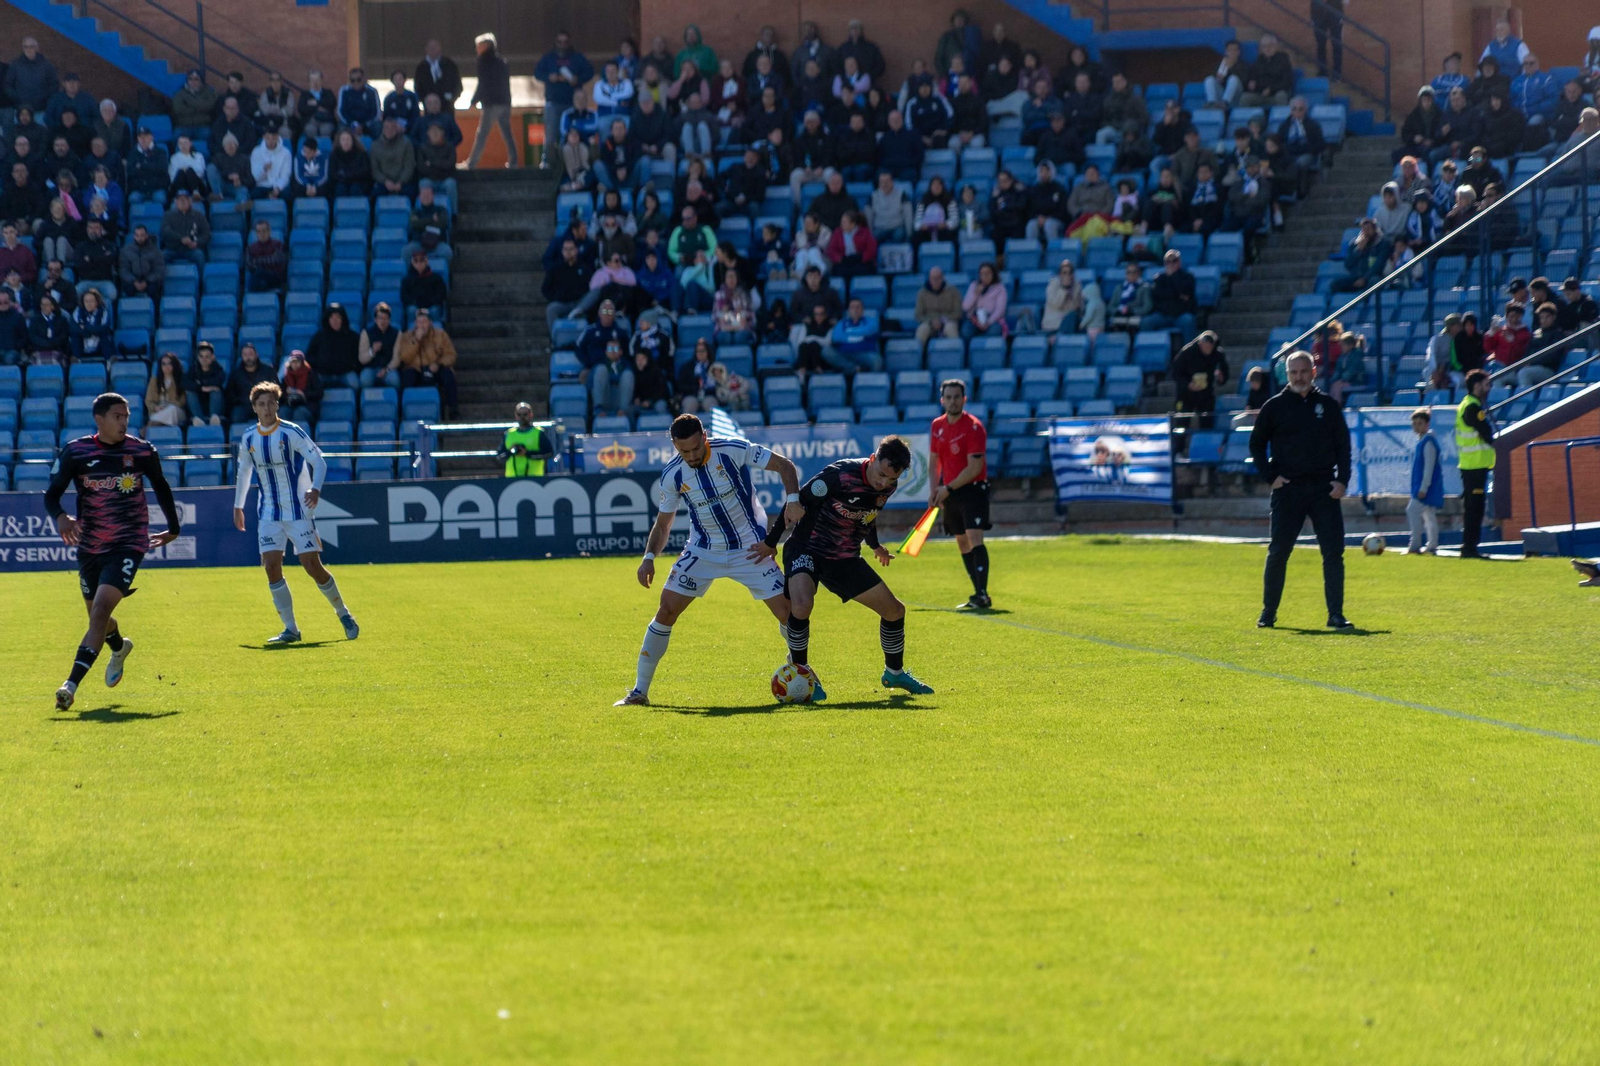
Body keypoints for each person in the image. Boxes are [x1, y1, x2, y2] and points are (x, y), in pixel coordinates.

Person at [614, 414, 803, 706]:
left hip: (750, 550)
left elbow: (784, 465)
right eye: (682, 451)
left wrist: (792, 500)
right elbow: (663, 524)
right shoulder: (673, 475)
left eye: (694, 448)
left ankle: (800, 670)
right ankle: (639, 691)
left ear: (704, 436)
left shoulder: (732, 449)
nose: (690, 456)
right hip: (702, 551)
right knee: (666, 610)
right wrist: (649, 557)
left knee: (789, 614)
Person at [763, 434, 934, 698]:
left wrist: (875, 546)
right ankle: (802, 672)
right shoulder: (840, 475)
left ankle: (894, 674)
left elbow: (868, 516)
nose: (883, 482)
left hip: (843, 558)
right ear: (874, 458)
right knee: (801, 605)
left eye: (890, 479)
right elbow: (796, 502)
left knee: (895, 611)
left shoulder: (889, 485)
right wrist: (771, 542)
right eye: (881, 475)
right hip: (806, 549)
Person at [44, 392, 181, 711]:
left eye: (126, 417)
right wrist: (61, 517)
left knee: (101, 609)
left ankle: (70, 685)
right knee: (98, 617)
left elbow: (161, 486)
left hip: (129, 542)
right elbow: (51, 496)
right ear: (99, 419)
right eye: (117, 417)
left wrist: (173, 528)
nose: (124, 422)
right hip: (90, 545)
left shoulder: (142, 450)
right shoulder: (76, 452)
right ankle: (119, 648)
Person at [232, 381, 359, 645]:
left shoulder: (292, 432)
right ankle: (290, 628)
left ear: (277, 404)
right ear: (254, 408)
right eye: (261, 404)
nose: (266, 408)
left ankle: (343, 613)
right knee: (270, 566)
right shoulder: (248, 438)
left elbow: (319, 461)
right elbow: (243, 472)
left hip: (299, 511)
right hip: (268, 513)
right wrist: (238, 506)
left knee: (312, 566)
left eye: (270, 403)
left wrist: (315, 489)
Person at [1248, 351, 1354, 630]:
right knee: (1279, 552)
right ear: (1287, 374)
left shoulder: (1328, 406)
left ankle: (1336, 615)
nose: (1299, 377)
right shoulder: (1274, 407)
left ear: (1313, 372)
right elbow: (1256, 445)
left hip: (1324, 489)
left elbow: (1344, 445)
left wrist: (1342, 480)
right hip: (1289, 489)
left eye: (1304, 371)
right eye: (1293, 372)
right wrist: (1271, 476)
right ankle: (1268, 613)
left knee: (1333, 553)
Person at [930, 378, 992, 609]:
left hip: (973, 489)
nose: (953, 401)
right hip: (950, 490)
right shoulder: (937, 425)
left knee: (974, 538)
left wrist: (946, 488)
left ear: (964, 399)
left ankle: (982, 594)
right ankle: (977, 594)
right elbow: (934, 460)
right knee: (961, 542)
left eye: (957, 397)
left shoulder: (974, 427)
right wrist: (934, 490)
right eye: (948, 397)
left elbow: (974, 467)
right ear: (942, 399)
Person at [1455, 368, 1494, 559]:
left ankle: (1470, 546)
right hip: (1474, 466)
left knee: (1474, 508)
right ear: (1476, 386)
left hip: (1472, 466)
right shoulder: (1472, 407)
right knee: (1474, 509)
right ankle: (1469, 547)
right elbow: (1486, 432)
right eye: (1487, 385)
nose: (1489, 388)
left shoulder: (1469, 404)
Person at [395, 307, 458, 418]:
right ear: (415, 323)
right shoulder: (406, 336)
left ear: (430, 322)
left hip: (435, 368)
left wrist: (439, 364)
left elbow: (451, 355)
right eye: (419, 322)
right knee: (407, 378)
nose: (422, 325)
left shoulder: (441, 335)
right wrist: (416, 341)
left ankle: (453, 410)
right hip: (416, 369)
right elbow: (404, 358)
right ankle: (402, 413)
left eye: (425, 321)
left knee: (448, 375)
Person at [468, 33, 516, 168]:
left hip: (491, 103)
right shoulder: (501, 61)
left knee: (482, 134)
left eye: (478, 46)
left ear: (485, 46)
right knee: (507, 133)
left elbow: (483, 83)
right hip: (505, 102)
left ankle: (472, 163)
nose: (477, 49)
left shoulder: (483, 61)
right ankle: (513, 161)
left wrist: (474, 100)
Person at [1172, 331, 1229, 425]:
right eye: (1206, 347)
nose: (1208, 350)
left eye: (1210, 347)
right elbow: (1175, 372)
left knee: (1207, 422)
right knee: (1181, 423)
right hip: (1186, 394)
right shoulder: (1187, 352)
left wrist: (1221, 378)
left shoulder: (1217, 354)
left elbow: (1224, 371)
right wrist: (1187, 384)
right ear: (1200, 344)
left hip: (1205, 394)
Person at [1407, 407, 1443, 555]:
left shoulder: (1428, 442)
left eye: (1420, 423)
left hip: (1426, 487)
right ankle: (1432, 545)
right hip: (1426, 486)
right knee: (1429, 515)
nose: (1417, 426)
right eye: (1414, 423)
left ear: (1427, 424)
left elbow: (1429, 467)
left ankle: (1415, 545)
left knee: (1412, 510)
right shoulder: (1423, 441)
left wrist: (1424, 487)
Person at [498, 401, 556, 476]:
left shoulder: (538, 433)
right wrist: (510, 452)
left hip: (534, 479)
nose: (522, 417)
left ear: (531, 415)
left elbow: (549, 453)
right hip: (512, 480)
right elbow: (499, 457)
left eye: (525, 414)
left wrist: (527, 453)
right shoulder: (508, 434)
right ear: (515, 415)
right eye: (519, 414)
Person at [226, 343, 276, 423]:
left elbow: (276, 389)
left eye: (250, 354)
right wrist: (240, 401)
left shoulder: (268, 371)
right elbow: (230, 393)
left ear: (256, 355)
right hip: (243, 405)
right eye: (245, 354)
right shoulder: (235, 373)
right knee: (236, 415)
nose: (248, 357)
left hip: (264, 404)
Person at [160, 189, 209, 265]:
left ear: (190, 201)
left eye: (185, 199)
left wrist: (197, 243)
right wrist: (181, 238)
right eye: (180, 199)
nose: (182, 202)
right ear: (176, 202)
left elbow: (206, 233)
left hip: (191, 249)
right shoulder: (168, 215)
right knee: (162, 256)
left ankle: (201, 277)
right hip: (173, 249)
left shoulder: (198, 216)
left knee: (199, 255)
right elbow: (165, 231)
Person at [915, 266, 962, 343]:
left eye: (938, 278)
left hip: (948, 321)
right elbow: (918, 315)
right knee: (922, 330)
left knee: (950, 329)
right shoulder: (921, 293)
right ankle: (919, 353)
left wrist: (943, 320)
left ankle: (954, 352)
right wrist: (931, 321)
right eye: (933, 278)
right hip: (929, 322)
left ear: (943, 278)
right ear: (929, 279)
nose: (936, 281)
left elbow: (958, 313)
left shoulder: (954, 291)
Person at [186, 340, 227, 424]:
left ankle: (214, 419)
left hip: (217, 405)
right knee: (190, 392)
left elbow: (219, 380)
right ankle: (199, 420)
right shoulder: (193, 369)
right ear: (198, 357)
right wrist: (201, 388)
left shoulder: (218, 369)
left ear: (212, 357)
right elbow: (185, 382)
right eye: (201, 356)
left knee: (215, 391)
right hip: (199, 403)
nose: (204, 359)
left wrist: (202, 385)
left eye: (207, 356)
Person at [415, 39, 464, 109]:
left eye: (435, 47)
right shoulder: (421, 67)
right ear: (426, 49)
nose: (433, 49)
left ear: (440, 48)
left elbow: (457, 84)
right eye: (430, 47)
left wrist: (452, 98)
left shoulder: (449, 65)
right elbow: (417, 86)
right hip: (428, 108)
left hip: (447, 106)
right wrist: (424, 99)